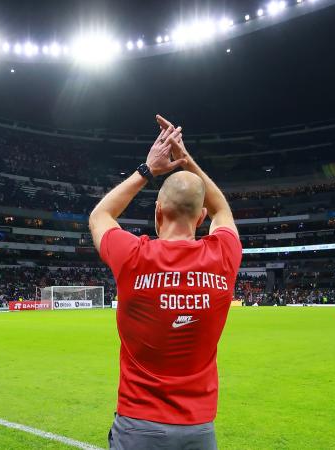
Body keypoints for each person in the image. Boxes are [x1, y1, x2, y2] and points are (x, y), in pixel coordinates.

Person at [90, 115, 242, 450]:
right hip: (200, 431)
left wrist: (148, 170)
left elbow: (100, 216)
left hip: (137, 427)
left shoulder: (132, 255)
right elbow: (223, 211)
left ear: (158, 212)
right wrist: (187, 162)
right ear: (201, 218)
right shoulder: (224, 255)